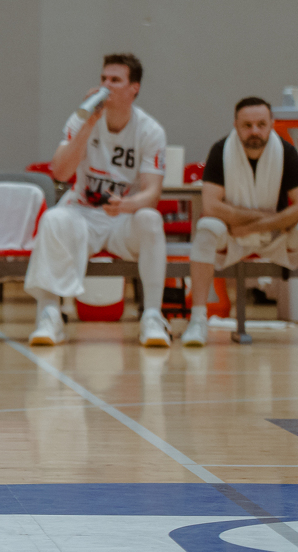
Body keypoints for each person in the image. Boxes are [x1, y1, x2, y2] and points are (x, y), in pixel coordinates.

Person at [26, 54, 171, 347]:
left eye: (115, 80)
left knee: (151, 219)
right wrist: (88, 124)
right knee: (53, 218)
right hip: (83, 214)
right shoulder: (81, 119)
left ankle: (152, 317)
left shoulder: (150, 131)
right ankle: (50, 316)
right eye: (104, 79)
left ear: (133, 88)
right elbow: (61, 172)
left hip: (123, 218)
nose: (106, 85)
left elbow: (152, 193)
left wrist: (127, 205)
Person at [183, 96, 298, 347]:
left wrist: (256, 225)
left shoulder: (287, 153)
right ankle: (198, 319)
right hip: (232, 235)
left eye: (261, 124)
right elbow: (211, 206)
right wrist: (264, 218)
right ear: (235, 125)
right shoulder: (220, 150)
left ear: (272, 124)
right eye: (247, 125)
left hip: (275, 236)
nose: (254, 131)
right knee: (207, 228)